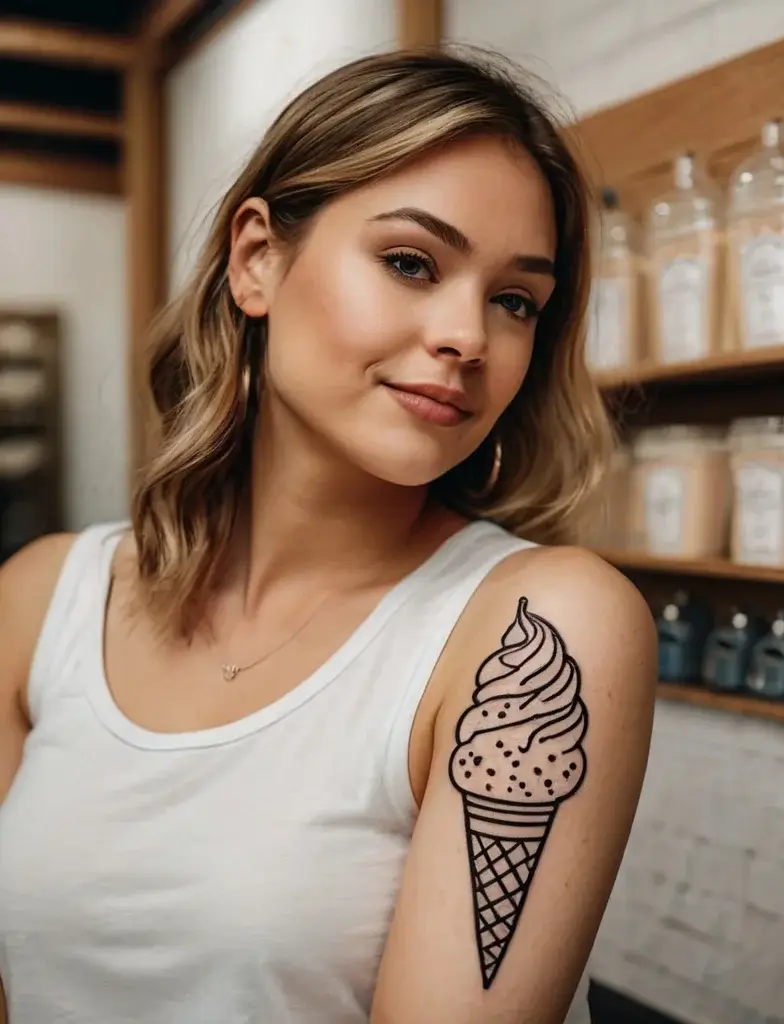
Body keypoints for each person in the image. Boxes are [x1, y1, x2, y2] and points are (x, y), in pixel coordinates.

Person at [0, 48, 656, 1024]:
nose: (467, 335)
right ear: (257, 258)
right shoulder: (43, 595)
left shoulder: (534, 630)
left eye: (515, 300)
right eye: (409, 262)